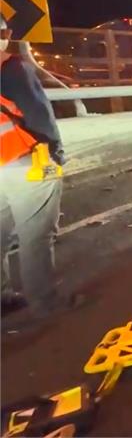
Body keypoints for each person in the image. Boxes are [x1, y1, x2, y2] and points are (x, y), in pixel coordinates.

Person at [1, 20, 65, 318]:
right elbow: (39, 114)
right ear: (8, 36)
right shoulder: (13, 68)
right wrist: (56, 154)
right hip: (24, 158)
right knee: (36, 234)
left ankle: (2, 297)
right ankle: (45, 304)